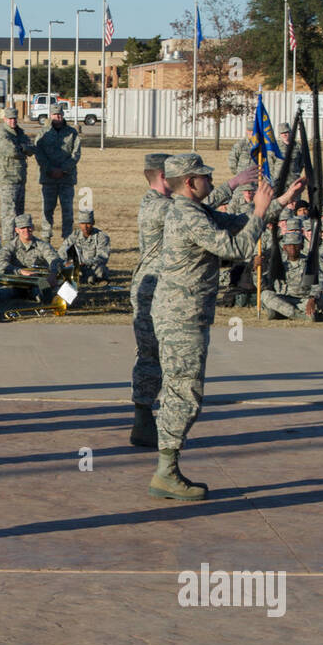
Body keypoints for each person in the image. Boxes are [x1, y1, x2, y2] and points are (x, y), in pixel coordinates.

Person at [150, 153, 302, 501]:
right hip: (181, 317)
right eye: (204, 176)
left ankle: (167, 467)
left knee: (182, 389)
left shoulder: (193, 210)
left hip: (185, 315)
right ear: (190, 182)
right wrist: (262, 212)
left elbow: (235, 222)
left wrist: (278, 202)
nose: (210, 181)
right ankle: (166, 472)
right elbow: (238, 247)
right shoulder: (188, 214)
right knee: (184, 392)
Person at [129, 152, 255, 447]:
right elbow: (195, 210)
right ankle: (144, 421)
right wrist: (233, 183)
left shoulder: (171, 205)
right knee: (151, 358)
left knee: (170, 363)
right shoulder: (157, 207)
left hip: (171, 289)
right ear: (164, 177)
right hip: (154, 291)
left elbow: (203, 212)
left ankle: (156, 425)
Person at [33, 104, 81, 243]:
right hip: (48, 179)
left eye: (59, 115)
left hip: (66, 179)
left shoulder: (72, 133)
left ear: (63, 115)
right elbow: (39, 153)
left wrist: (63, 169)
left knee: (67, 212)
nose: (57, 117)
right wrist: (50, 169)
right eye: (54, 115)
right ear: (50, 116)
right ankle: (46, 240)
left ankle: (67, 241)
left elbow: (76, 154)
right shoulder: (43, 133)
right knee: (47, 211)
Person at [260, 230, 323, 321]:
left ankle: (281, 313)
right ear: (284, 247)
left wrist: (312, 298)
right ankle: (300, 316)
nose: (292, 247)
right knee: (265, 294)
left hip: (304, 300)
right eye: (289, 245)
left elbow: (320, 282)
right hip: (283, 299)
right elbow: (261, 284)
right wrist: (256, 270)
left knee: (322, 300)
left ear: (302, 246)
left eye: (296, 244)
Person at [0, 107, 34, 243]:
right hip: (8, 179)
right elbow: (12, 151)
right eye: (10, 119)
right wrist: (23, 148)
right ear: (5, 119)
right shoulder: (3, 135)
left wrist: (24, 148)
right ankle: (8, 243)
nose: (12, 121)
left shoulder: (19, 133)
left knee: (20, 214)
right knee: (9, 214)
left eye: (14, 118)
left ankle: (19, 242)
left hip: (20, 178)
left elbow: (32, 147)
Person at [63, 210, 110, 284]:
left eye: (88, 223)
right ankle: (87, 279)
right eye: (82, 223)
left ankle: (91, 279)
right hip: (76, 268)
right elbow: (63, 251)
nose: (85, 227)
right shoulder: (74, 235)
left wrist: (85, 263)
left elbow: (102, 257)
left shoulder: (102, 237)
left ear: (93, 223)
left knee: (101, 269)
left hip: (93, 267)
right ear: (79, 224)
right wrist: (67, 263)